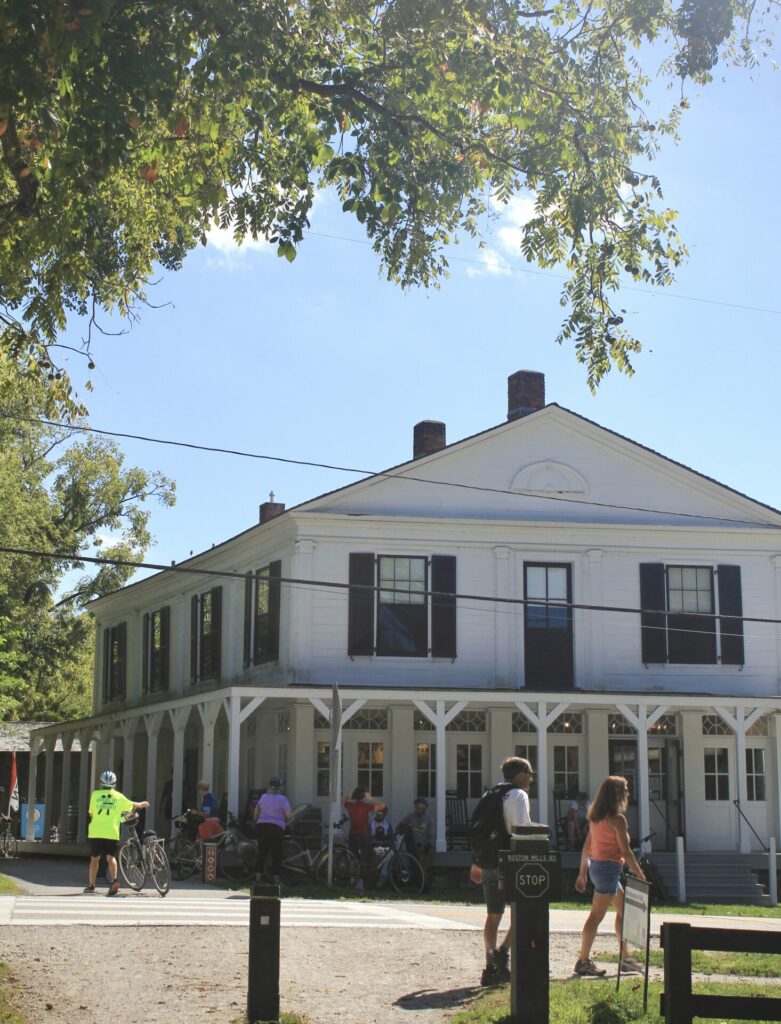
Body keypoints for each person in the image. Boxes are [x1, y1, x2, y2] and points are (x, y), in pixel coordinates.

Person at [469, 756, 535, 986]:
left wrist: (477, 861)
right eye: (529, 773)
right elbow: (521, 830)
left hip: (488, 859)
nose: (531, 778)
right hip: (509, 860)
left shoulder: (492, 793)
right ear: (519, 774)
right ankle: (503, 951)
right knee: (524, 911)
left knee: (493, 914)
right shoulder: (517, 795)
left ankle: (489, 968)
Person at [573, 775, 646, 977]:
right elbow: (626, 851)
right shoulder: (617, 820)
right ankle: (583, 961)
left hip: (600, 868)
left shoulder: (596, 818)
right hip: (607, 870)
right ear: (617, 794)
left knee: (624, 913)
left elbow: (587, 846)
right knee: (596, 916)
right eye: (626, 789)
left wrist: (582, 874)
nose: (628, 793)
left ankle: (626, 959)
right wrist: (640, 873)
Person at [84, 770, 149, 896]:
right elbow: (133, 805)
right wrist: (142, 804)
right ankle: (114, 881)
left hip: (96, 831)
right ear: (114, 783)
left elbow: (91, 813)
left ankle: (91, 886)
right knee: (111, 858)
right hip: (112, 831)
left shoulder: (95, 794)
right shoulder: (118, 796)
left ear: (101, 782)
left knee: (94, 859)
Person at [342, 787, 385, 884]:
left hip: (352, 834)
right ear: (364, 797)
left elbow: (343, 801)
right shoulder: (366, 806)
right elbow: (382, 806)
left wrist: (349, 795)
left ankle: (354, 880)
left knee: (354, 857)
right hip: (363, 835)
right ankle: (364, 880)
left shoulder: (351, 805)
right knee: (365, 858)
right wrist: (370, 798)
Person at [253, 776, 292, 882]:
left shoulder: (263, 797)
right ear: (280, 787)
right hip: (276, 827)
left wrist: (256, 820)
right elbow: (288, 815)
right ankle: (276, 880)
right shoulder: (283, 799)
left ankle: (258, 878)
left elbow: (256, 812)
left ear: (270, 786)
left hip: (262, 826)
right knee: (276, 854)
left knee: (262, 853)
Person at [398, 798, 435, 879]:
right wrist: (404, 827)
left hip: (423, 842)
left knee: (431, 851)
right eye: (416, 807)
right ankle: (418, 874)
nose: (417, 809)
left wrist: (423, 846)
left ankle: (423, 872)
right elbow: (399, 827)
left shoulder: (429, 820)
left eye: (420, 808)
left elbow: (430, 836)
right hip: (412, 842)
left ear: (425, 808)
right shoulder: (410, 816)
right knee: (414, 854)